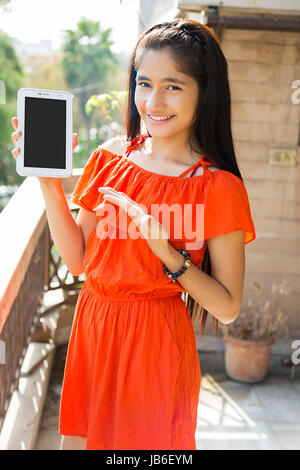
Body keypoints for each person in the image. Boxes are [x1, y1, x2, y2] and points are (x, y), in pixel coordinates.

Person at [11, 18, 256, 451]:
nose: (153, 101)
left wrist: (166, 251)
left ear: (205, 91)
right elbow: (80, 262)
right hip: (95, 327)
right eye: (144, 84)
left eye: (173, 86)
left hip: (156, 344)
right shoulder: (109, 157)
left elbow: (228, 306)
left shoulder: (217, 186)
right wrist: (49, 183)